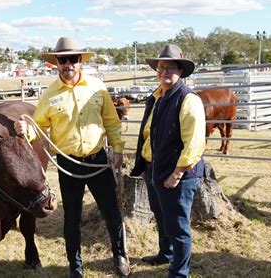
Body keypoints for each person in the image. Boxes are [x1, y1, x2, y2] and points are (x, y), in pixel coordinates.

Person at [14, 37, 130, 277]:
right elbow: (38, 126)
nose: (68, 64)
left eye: (73, 59)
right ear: (56, 63)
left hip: (98, 161)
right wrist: (26, 131)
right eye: (63, 59)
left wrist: (117, 148)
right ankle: (75, 266)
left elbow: (111, 120)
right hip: (68, 165)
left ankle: (119, 254)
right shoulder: (50, 94)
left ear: (80, 61)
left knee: (111, 212)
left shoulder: (97, 87)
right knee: (72, 218)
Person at [130, 44, 206, 277]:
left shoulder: (188, 100)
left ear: (180, 71)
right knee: (161, 216)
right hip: (154, 168)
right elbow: (149, 133)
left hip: (176, 173)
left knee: (178, 225)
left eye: (170, 68)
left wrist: (177, 173)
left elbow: (194, 143)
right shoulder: (157, 96)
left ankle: (179, 272)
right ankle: (166, 253)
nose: (164, 72)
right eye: (161, 67)